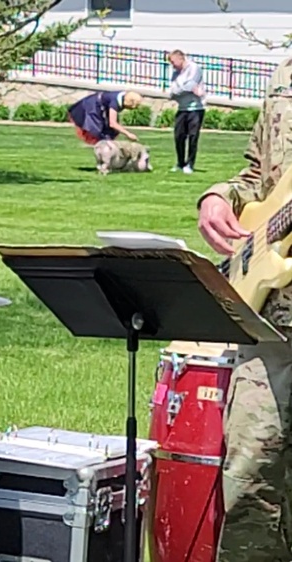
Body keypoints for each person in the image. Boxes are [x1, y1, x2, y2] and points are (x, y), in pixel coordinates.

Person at [195, 55, 292, 562]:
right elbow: (259, 173)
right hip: (268, 327)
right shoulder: (286, 73)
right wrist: (219, 197)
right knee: (248, 485)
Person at [168, 50, 206, 174]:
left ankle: (190, 164)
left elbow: (190, 85)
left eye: (173, 62)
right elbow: (172, 90)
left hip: (196, 108)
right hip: (182, 108)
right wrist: (178, 91)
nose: (172, 65)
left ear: (181, 58)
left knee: (193, 137)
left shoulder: (194, 68)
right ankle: (180, 163)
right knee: (179, 136)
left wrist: (179, 91)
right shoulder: (176, 73)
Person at [67, 90, 143, 145]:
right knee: (99, 132)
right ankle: (104, 158)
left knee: (111, 133)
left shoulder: (123, 97)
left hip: (101, 108)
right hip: (92, 107)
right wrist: (128, 134)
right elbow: (113, 123)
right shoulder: (115, 102)